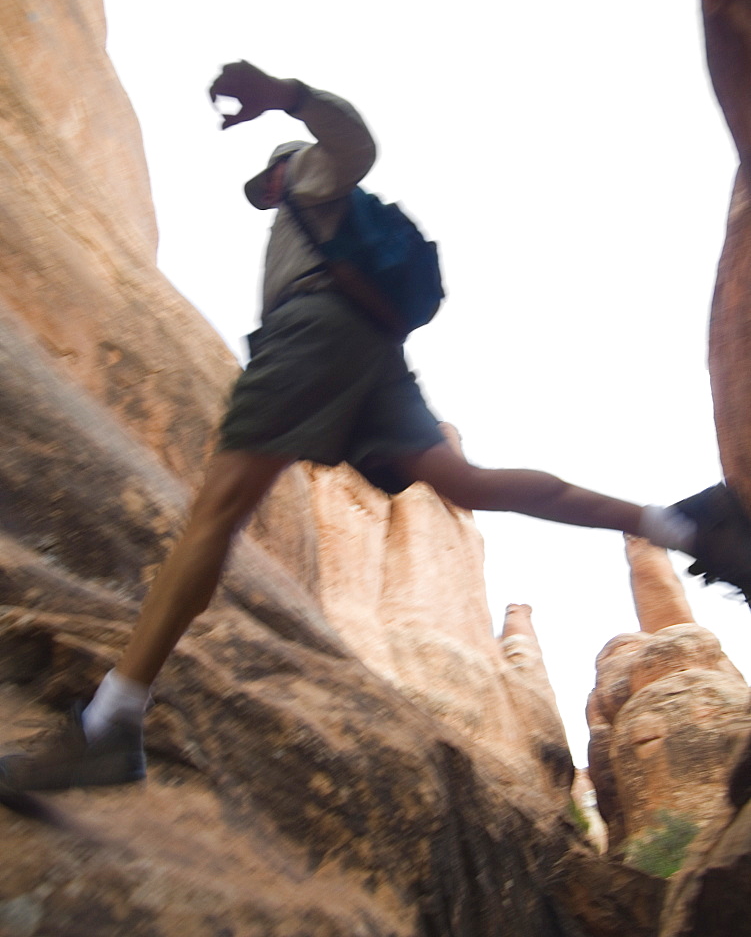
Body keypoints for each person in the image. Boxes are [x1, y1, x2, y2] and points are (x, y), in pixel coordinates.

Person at [2, 61, 750, 794]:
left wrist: (286, 97)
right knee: (466, 482)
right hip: (370, 355)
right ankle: (681, 526)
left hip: (313, 334)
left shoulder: (311, 178)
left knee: (216, 516)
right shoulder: (311, 208)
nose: (263, 192)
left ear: (281, 172)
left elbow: (354, 145)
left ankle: (109, 724)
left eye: (266, 179)